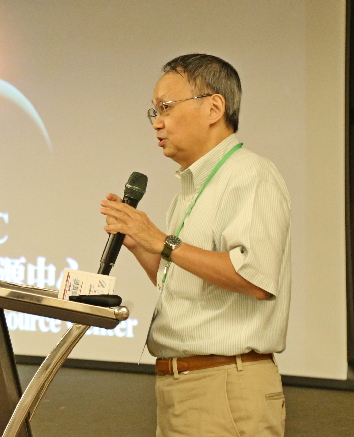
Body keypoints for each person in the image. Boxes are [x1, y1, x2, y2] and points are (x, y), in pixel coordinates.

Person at [100, 53, 291, 437]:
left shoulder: (250, 175)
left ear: (214, 108)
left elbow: (254, 278)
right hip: (181, 387)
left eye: (166, 108)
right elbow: (181, 281)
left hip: (224, 386)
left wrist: (162, 240)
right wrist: (140, 244)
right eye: (154, 111)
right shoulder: (190, 190)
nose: (157, 122)